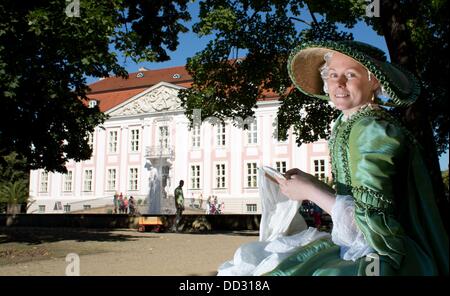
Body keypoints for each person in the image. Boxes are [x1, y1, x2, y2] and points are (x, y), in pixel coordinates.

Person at [218, 40, 448, 276]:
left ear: (374, 82)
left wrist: (310, 191)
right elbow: (355, 200)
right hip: (360, 245)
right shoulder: (347, 124)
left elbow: (373, 227)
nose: (338, 83)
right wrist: (312, 184)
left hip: (385, 256)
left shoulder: (372, 130)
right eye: (333, 74)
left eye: (350, 74)